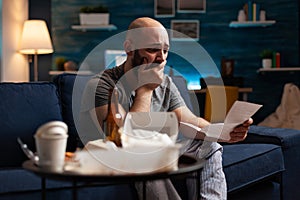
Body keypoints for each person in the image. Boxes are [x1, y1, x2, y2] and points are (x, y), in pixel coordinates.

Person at [81, 17, 253, 200]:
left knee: (209, 145)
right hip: (115, 156)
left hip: (156, 149)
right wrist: (145, 90)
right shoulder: (101, 85)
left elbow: (191, 121)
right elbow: (126, 139)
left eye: (165, 50)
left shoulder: (166, 83)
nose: (162, 57)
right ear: (129, 48)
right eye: (153, 49)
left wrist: (225, 131)